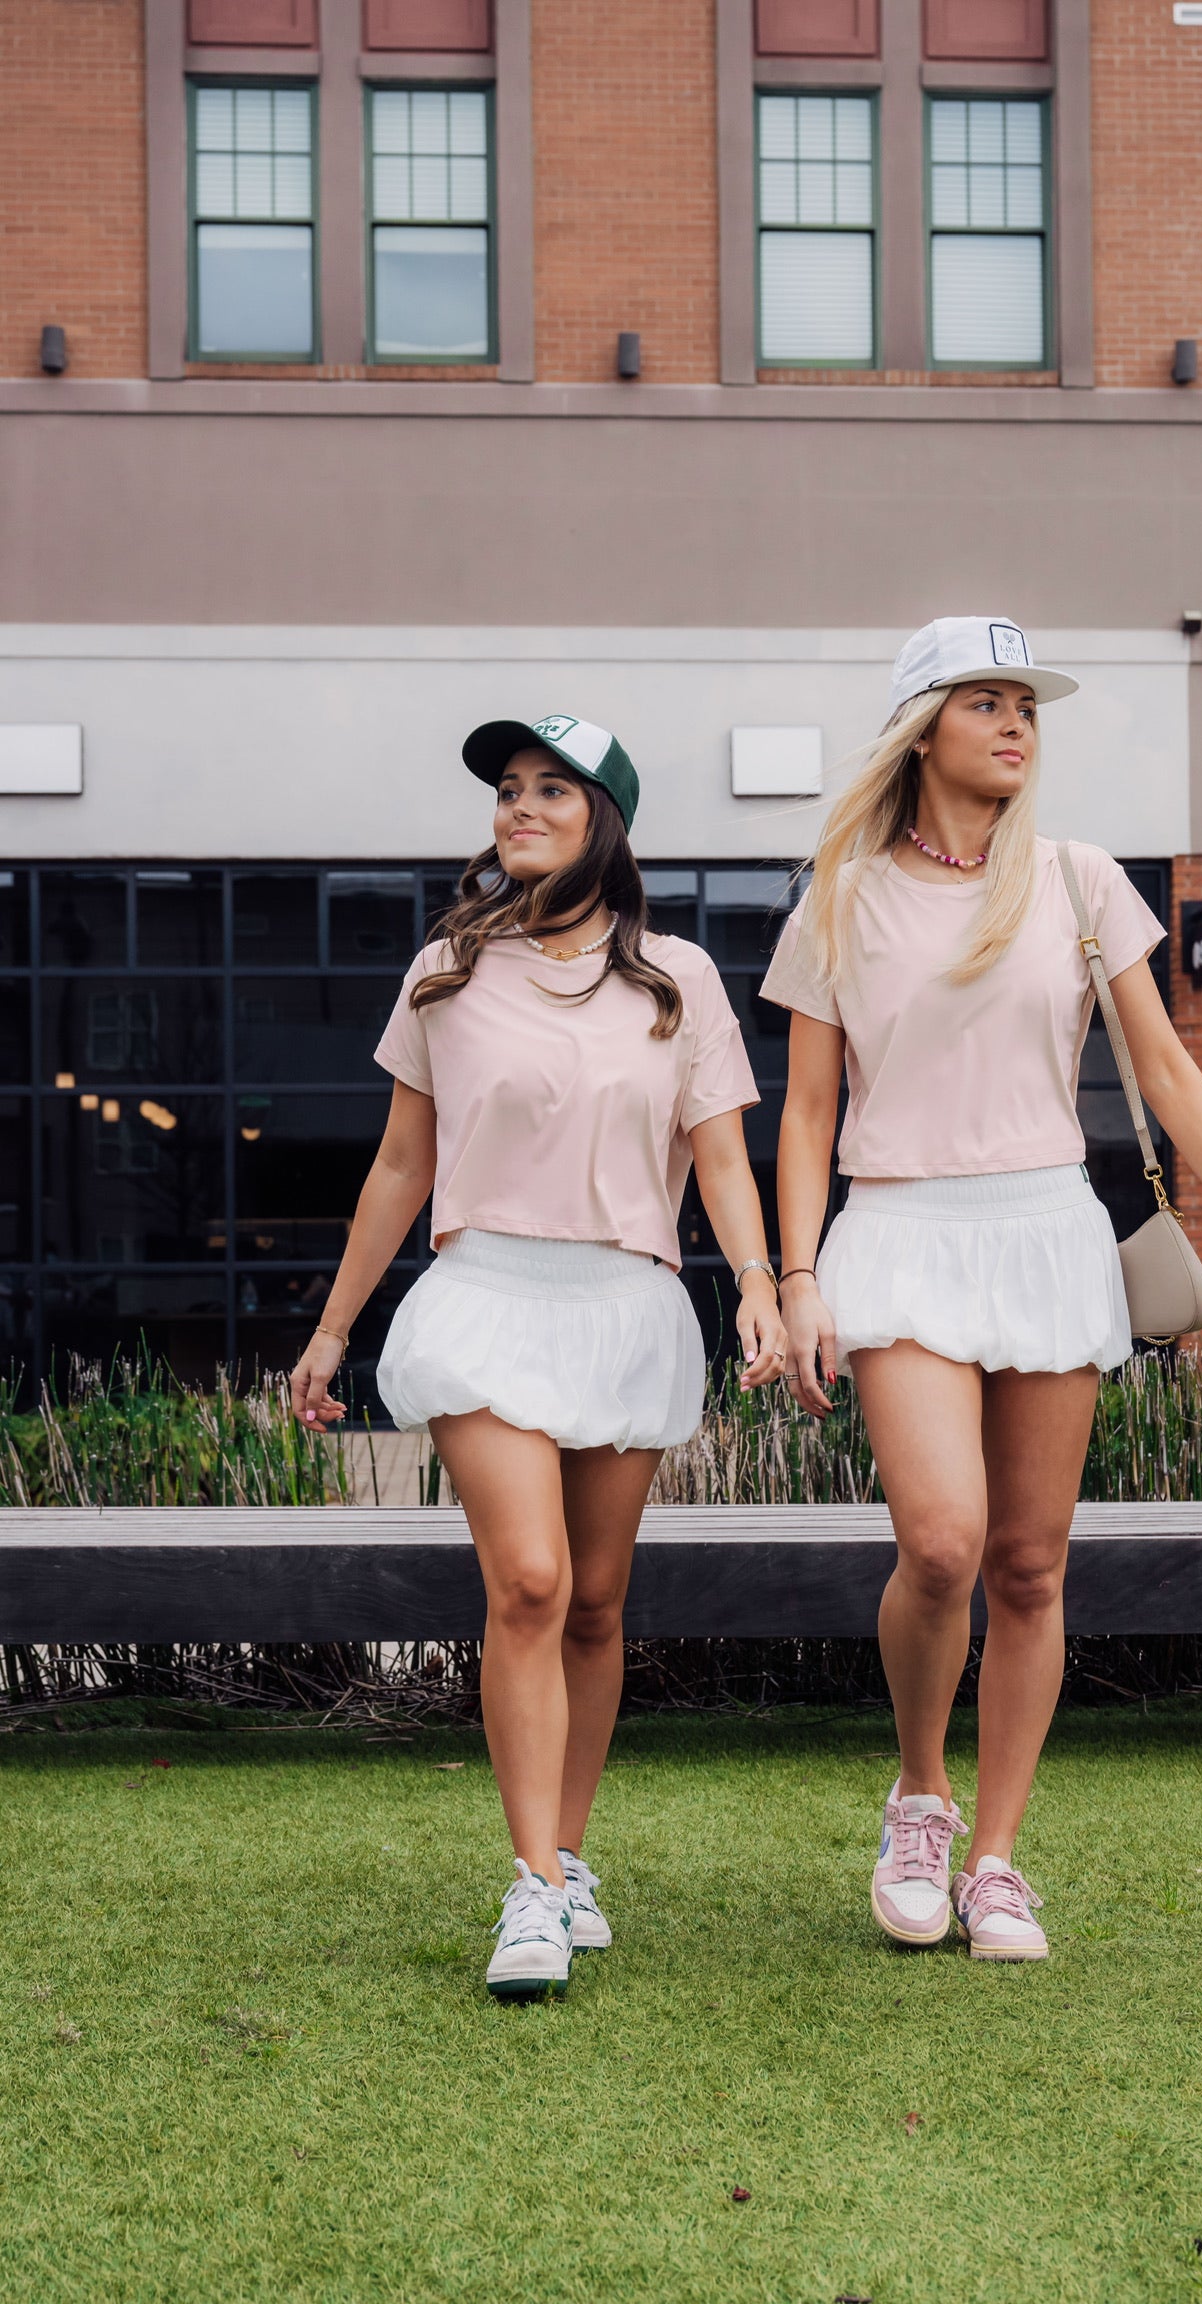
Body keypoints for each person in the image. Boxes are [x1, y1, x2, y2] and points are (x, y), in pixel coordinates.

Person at [764, 617, 1202, 1964]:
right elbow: (807, 1110)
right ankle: (920, 1794)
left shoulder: (1079, 882)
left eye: (1027, 705)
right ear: (925, 728)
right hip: (895, 1234)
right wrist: (791, 1277)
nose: (1016, 724)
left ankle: (1000, 1857)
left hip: (1044, 1233)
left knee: (1028, 1562)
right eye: (987, 702)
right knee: (943, 1543)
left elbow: (1170, 1068)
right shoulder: (841, 890)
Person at [291, 712, 787, 2002]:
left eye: (548, 788)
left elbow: (724, 1160)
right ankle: (529, 1888)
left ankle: (568, 1862)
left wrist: (762, 1294)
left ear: (601, 822)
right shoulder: (447, 969)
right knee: (528, 1580)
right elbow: (401, 1164)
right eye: (507, 789)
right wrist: (334, 1327)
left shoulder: (678, 980)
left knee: (599, 1599)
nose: (518, 806)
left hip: (628, 1300)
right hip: (488, 1294)